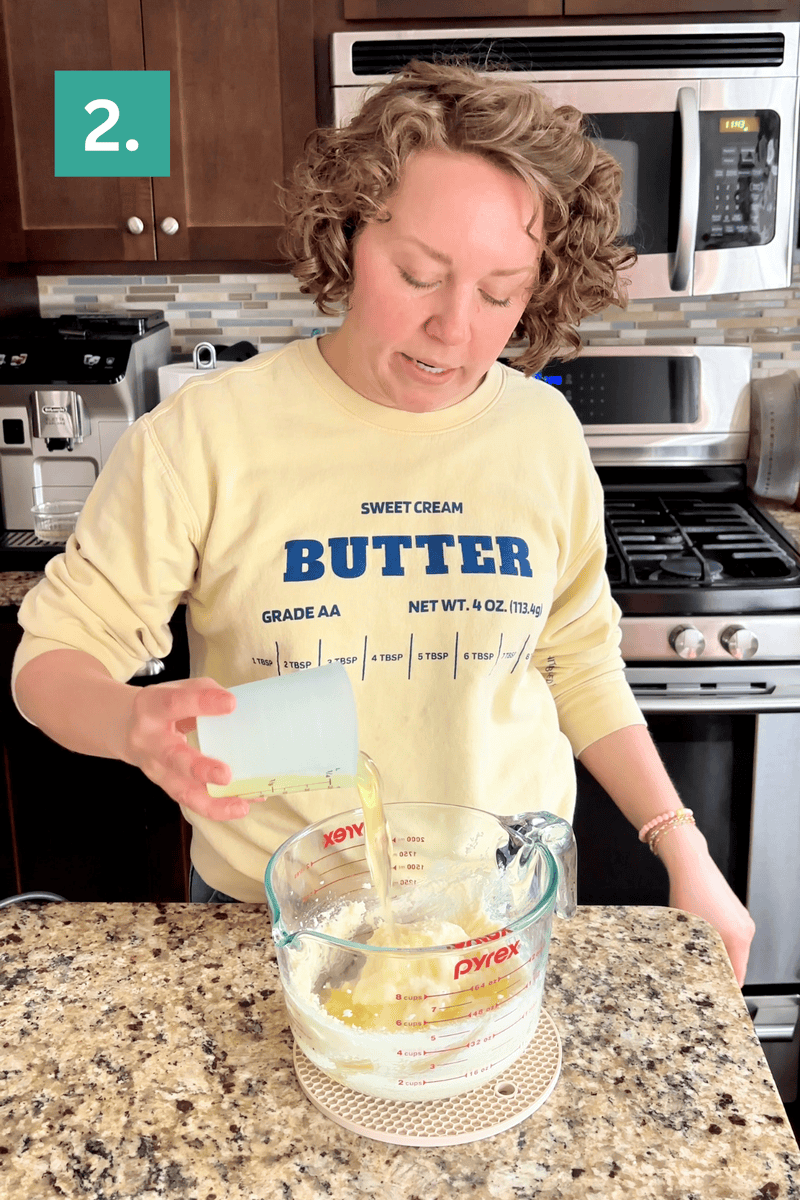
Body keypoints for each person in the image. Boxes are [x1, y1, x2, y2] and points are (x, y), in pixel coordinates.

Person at [12, 59, 755, 981]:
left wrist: (681, 845)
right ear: (349, 234)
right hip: (279, 914)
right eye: (418, 273)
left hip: (503, 904)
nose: (454, 327)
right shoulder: (204, 437)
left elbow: (578, 657)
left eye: (499, 293)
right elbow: (48, 663)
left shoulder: (543, 433)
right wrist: (129, 721)